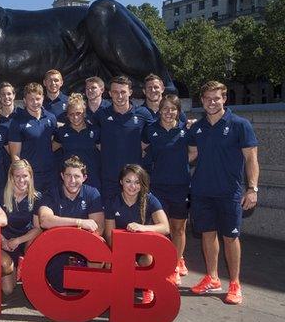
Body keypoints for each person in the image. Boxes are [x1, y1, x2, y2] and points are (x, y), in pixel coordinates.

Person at [187, 81, 259, 305]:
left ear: (224, 99)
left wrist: (252, 188)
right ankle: (212, 277)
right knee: (207, 235)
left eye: (216, 98)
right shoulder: (197, 128)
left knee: (230, 238)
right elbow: (190, 155)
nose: (212, 102)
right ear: (202, 100)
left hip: (230, 193)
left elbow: (251, 159)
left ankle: (235, 283)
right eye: (207, 98)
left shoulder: (240, 125)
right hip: (201, 192)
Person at [141, 94, 190, 285]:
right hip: (157, 187)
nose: (169, 112)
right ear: (159, 110)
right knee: (157, 230)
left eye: (173, 109)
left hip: (181, 186)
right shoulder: (151, 129)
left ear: (178, 111)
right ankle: (157, 266)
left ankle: (174, 266)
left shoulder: (186, 130)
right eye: (165, 108)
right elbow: (143, 148)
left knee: (178, 229)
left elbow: (193, 153)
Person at [103, 164, 170, 304]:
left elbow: (165, 227)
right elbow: (109, 235)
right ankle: (118, 289)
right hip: (121, 249)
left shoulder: (149, 199)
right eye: (128, 181)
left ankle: (147, 287)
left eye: (137, 182)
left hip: (143, 249)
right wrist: (124, 256)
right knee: (108, 263)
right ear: (121, 182)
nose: (132, 186)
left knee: (147, 257)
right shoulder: (113, 201)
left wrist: (143, 228)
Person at [38, 156, 104, 294]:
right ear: (62, 176)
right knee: (55, 261)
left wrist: (76, 242)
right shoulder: (52, 193)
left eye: (77, 176)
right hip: (58, 244)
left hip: (84, 242)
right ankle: (60, 296)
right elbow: (44, 220)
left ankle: (91, 294)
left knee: (98, 252)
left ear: (84, 177)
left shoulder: (92, 193)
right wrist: (79, 222)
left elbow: (98, 227)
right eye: (68, 175)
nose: (72, 181)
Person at [92, 75, 154, 201]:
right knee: (109, 218)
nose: (119, 96)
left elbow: (156, 134)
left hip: (134, 181)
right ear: (109, 93)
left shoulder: (143, 114)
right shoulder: (101, 115)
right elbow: (96, 142)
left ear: (130, 92)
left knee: (136, 218)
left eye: (123, 92)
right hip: (109, 179)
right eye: (115, 92)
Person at [0, 159, 42, 295]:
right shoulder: (0, 195)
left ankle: (25, 265)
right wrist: (3, 241)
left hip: (24, 241)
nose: (21, 180)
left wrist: (18, 241)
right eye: (17, 176)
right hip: (4, 242)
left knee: (35, 242)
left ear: (30, 176)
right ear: (11, 177)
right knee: (7, 290)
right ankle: (7, 267)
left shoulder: (37, 198)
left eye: (24, 176)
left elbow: (38, 227)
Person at [8, 82, 57, 193]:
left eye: (38, 99)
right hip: (30, 176)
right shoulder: (17, 122)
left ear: (43, 98)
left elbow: (56, 141)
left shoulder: (51, 117)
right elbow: (15, 155)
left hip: (50, 174)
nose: (35, 103)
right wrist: (22, 176)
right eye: (31, 99)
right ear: (24, 101)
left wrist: (45, 153)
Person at [53, 93, 102, 189]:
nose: (75, 117)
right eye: (71, 114)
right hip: (70, 181)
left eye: (78, 113)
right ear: (67, 115)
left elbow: (104, 152)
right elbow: (50, 150)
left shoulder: (95, 130)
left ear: (84, 112)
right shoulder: (62, 132)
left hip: (91, 179)